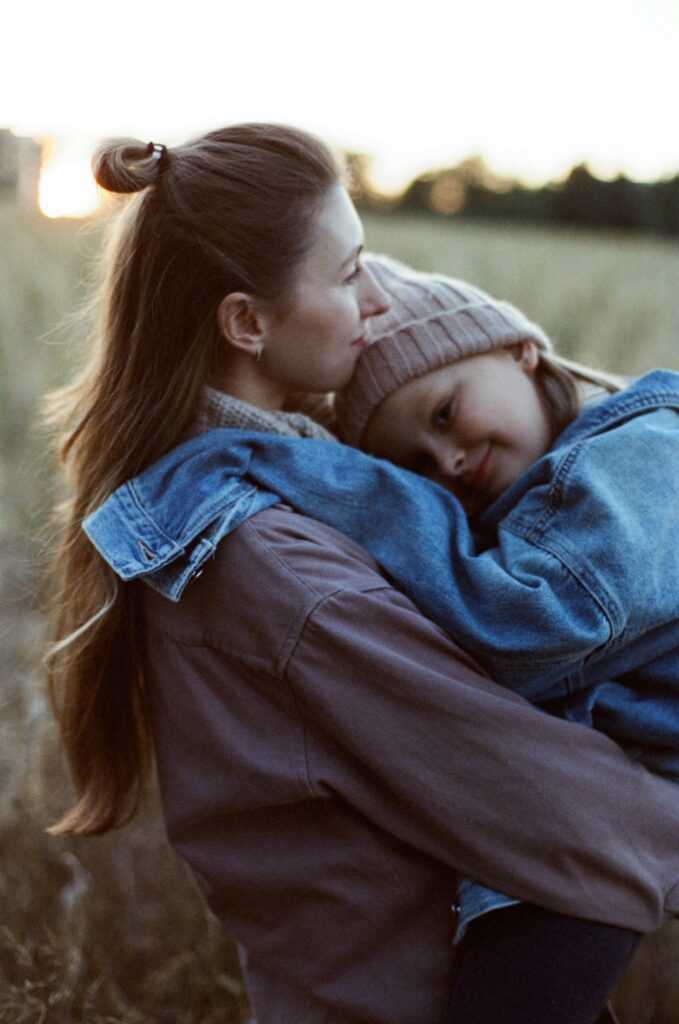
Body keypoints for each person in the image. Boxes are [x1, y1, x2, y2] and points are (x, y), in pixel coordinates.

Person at [47, 126, 679, 1024]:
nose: (375, 299)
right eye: (347, 275)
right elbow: (553, 800)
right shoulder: (264, 556)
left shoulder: (277, 491)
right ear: (247, 323)